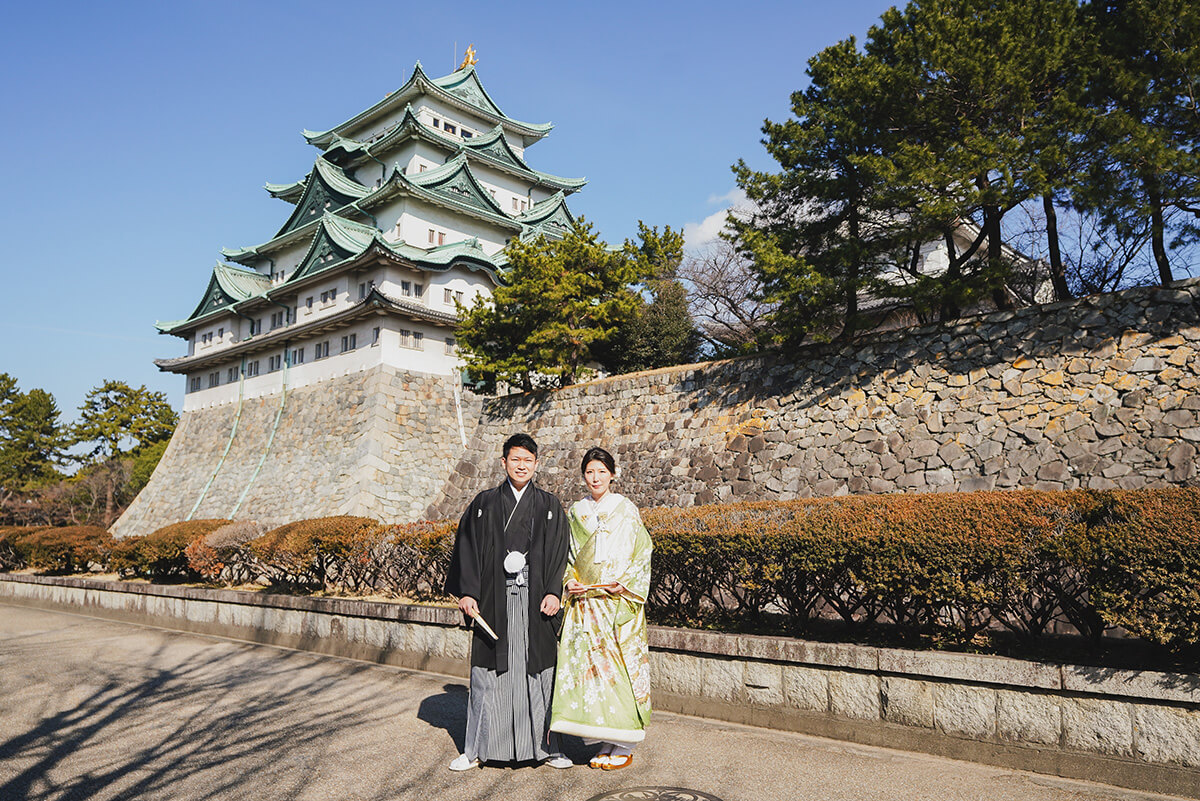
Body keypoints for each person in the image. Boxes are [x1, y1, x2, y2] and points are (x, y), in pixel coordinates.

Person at [444, 433, 572, 771]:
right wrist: (468, 592)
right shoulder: (484, 503)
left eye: (527, 460)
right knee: (488, 674)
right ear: (504, 462)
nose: (521, 465)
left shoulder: (548, 505)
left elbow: (560, 553)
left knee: (541, 672)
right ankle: (475, 750)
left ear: (536, 464)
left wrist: (552, 591)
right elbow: (468, 549)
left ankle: (550, 748)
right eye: (515, 459)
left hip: (535, 601)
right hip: (493, 601)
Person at [549, 446, 652, 770]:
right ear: (584, 475)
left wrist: (626, 583)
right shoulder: (576, 512)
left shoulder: (626, 509)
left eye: (601, 472)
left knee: (618, 670)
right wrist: (568, 583)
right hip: (586, 606)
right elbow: (565, 557)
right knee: (592, 675)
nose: (595, 477)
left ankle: (624, 741)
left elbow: (643, 551)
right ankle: (605, 739)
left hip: (617, 603)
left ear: (612, 473)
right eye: (590, 472)